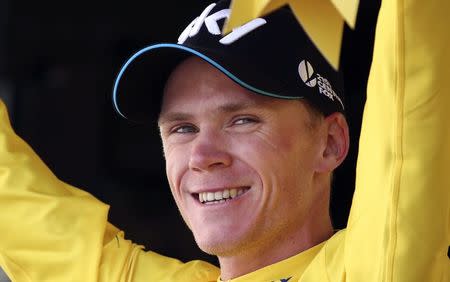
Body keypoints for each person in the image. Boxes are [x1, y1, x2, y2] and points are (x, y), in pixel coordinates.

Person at [0, 0, 448, 282]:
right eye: (182, 128)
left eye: (242, 120)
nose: (201, 156)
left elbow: (414, 77)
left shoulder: (373, 269)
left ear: (330, 142)